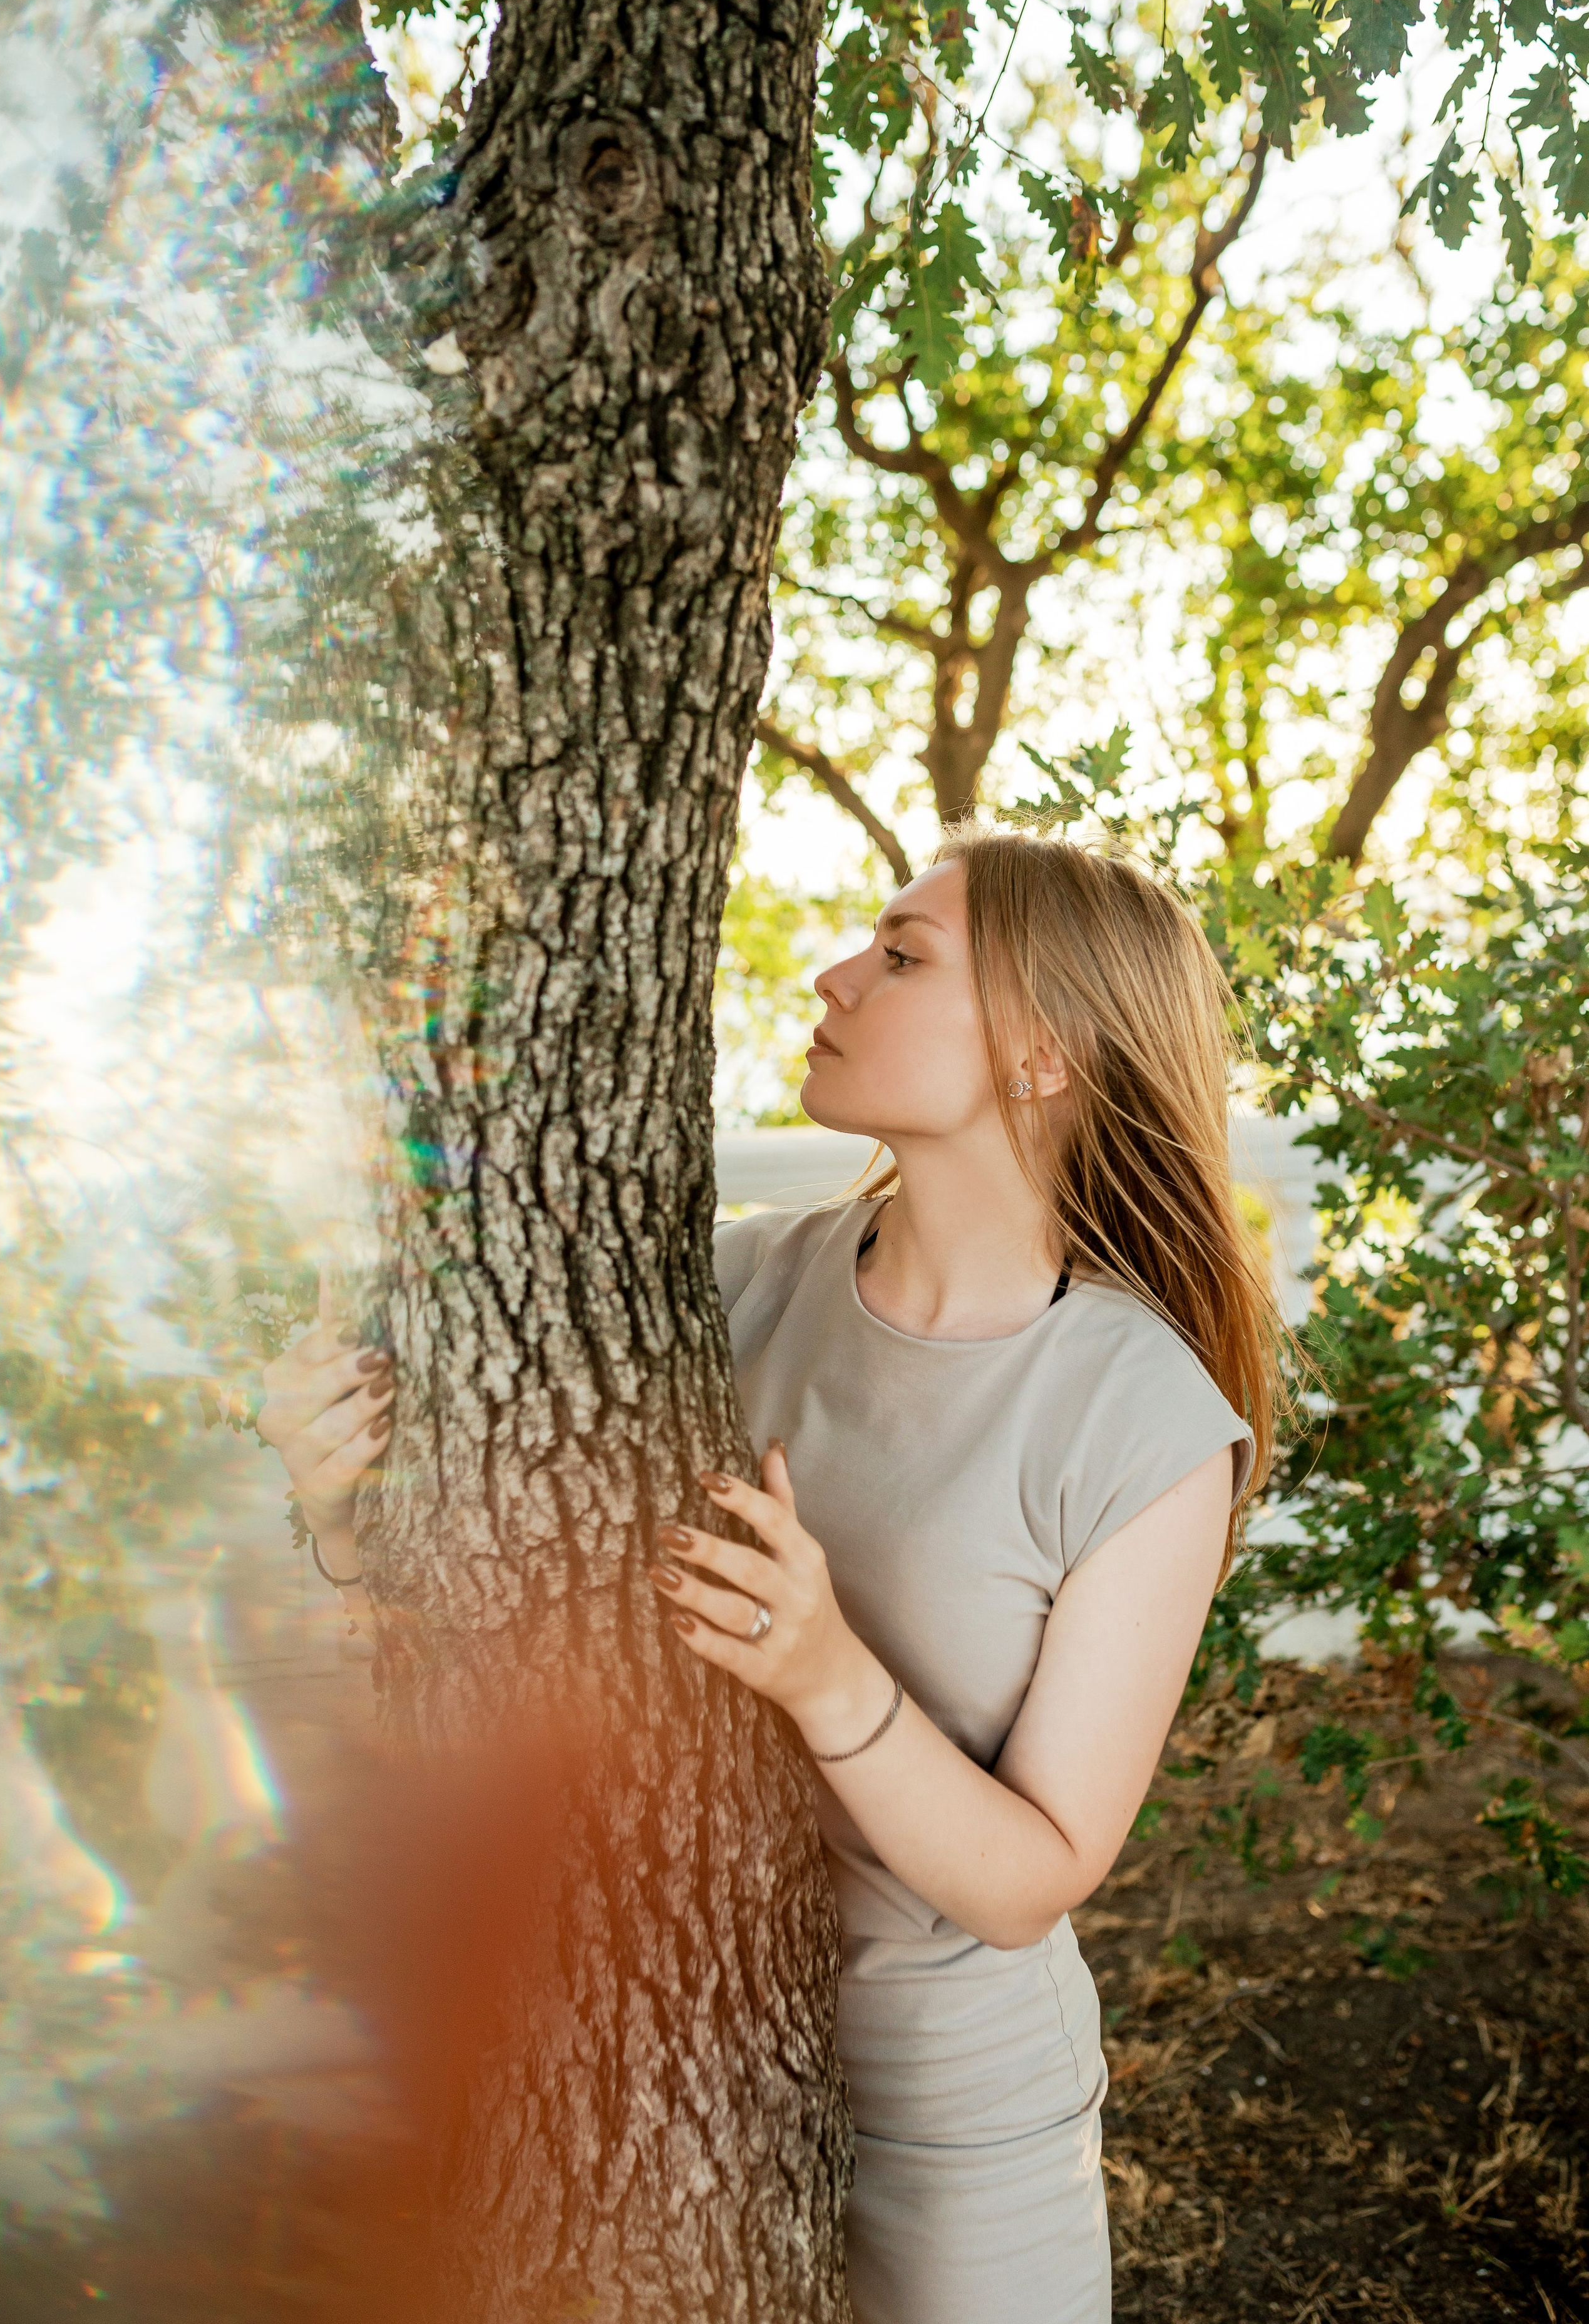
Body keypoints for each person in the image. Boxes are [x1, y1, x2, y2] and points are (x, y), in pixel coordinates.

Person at [258, 826, 1280, 2324]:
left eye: (901, 956)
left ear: (1042, 1055)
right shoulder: (731, 1287)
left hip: (944, 2120)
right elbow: (520, 1614)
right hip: (662, 2077)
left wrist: (828, 1677)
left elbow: (1033, 1878)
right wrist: (349, 1512)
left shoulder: (1142, 1418)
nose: (832, 974)